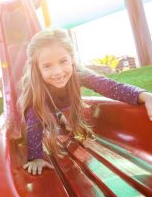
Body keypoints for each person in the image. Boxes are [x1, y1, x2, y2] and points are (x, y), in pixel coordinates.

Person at [17, 27, 152, 176]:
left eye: (63, 61)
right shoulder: (34, 87)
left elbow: (111, 87)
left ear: (72, 60)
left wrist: (145, 96)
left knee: (61, 116)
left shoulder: (79, 74)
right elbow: (34, 120)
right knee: (43, 114)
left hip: (61, 102)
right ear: (37, 69)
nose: (58, 72)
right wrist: (35, 157)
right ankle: (57, 115)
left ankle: (58, 115)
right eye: (47, 66)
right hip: (44, 104)